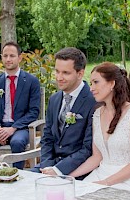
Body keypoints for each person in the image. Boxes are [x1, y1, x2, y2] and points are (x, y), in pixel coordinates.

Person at [67, 63, 130, 194]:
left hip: (127, 181)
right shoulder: (97, 114)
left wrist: (105, 183)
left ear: (112, 84)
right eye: (91, 83)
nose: (91, 88)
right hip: (100, 175)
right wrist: (70, 176)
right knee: (72, 194)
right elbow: (96, 157)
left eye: (96, 82)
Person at [37, 47, 96, 177]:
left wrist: (58, 170)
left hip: (78, 171)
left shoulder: (94, 101)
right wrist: (47, 166)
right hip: (49, 167)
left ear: (80, 73)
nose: (59, 77)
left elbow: (88, 149)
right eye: (57, 71)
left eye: (65, 73)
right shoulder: (54, 99)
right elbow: (47, 138)